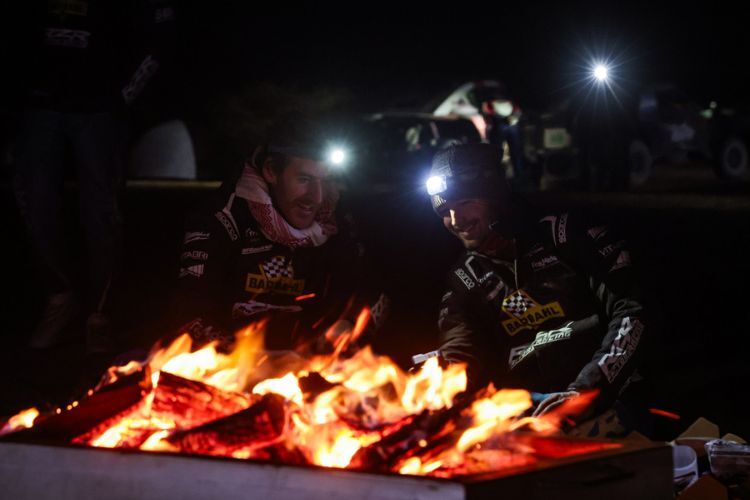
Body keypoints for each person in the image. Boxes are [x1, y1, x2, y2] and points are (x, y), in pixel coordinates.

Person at [425, 143, 650, 437]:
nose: (456, 220)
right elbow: (460, 343)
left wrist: (585, 392)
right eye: (445, 210)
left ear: (494, 194)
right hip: (529, 413)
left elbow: (632, 312)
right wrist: (442, 379)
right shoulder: (465, 277)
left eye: (465, 202)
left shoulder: (566, 234)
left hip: (605, 397)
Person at [13, 0, 176, 353]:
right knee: (34, 201)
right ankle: (60, 298)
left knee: (101, 212)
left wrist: (122, 97)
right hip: (40, 106)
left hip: (99, 111)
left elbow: (161, 33)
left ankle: (99, 314)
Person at [170, 116, 387, 353]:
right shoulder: (223, 217)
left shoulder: (336, 222)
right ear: (271, 171)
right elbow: (190, 310)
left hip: (306, 367)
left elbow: (372, 290)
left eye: (324, 181)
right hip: (228, 370)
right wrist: (243, 359)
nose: (316, 196)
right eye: (304, 179)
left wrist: (350, 325)